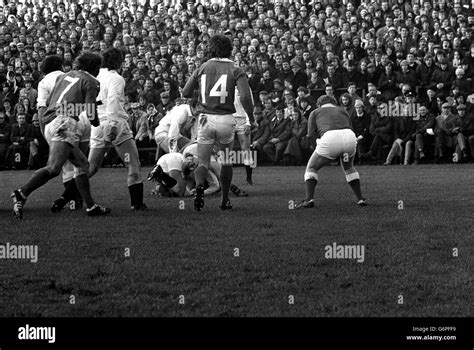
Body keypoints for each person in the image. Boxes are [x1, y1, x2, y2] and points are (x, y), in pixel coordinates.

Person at [11, 51, 110, 219]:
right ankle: (22, 192)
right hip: (64, 123)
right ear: (94, 68)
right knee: (54, 168)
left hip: (50, 120)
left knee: (83, 165)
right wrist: (98, 126)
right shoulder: (92, 82)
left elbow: (58, 101)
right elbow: (92, 114)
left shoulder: (65, 76)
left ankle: (91, 206)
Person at [182, 34, 256, 211]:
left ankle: (200, 186)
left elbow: (185, 92)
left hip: (205, 118)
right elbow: (245, 96)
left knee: (203, 163)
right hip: (226, 119)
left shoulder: (203, 67)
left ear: (211, 48)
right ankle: (224, 200)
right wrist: (251, 118)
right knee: (226, 161)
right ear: (229, 49)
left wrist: (201, 96)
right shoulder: (236, 69)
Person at [87, 48, 147, 211]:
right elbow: (114, 101)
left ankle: (68, 196)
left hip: (97, 124)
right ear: (119, 62)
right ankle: (137, 204)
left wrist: (93, 122)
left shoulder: (95, 77)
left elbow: (89, 103)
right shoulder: (116, 78)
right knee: (133, 164)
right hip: (115, 124)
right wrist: (113, 124)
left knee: (91, 167)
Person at [295, 95, 367, 208]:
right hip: (349, 137)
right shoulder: (342, 111)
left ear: (319, 104)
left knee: (311, 168)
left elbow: (310, 135)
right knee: (348, 167)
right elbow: (350, 128)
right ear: (334, 103)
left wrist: (317, 148)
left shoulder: (315, 112)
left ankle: (309, 200)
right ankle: (360, 199)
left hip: (330, 137)